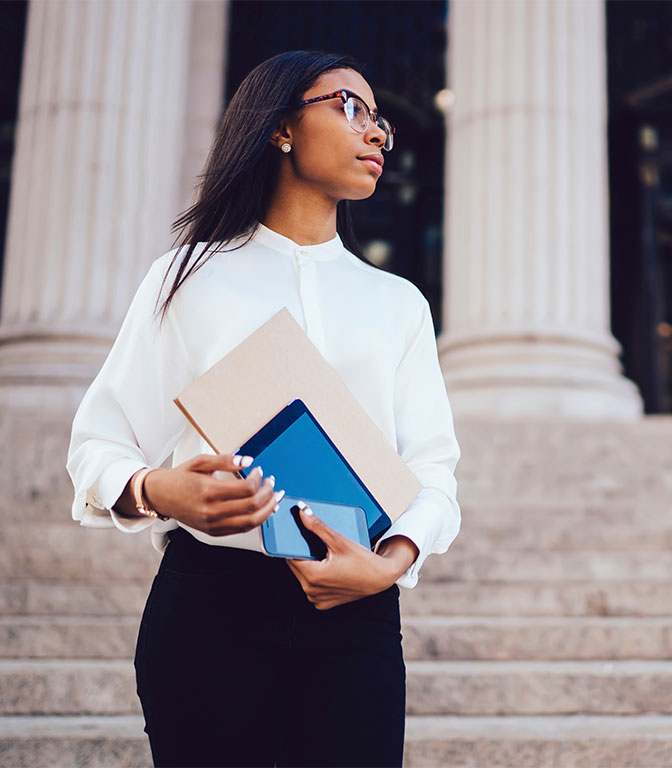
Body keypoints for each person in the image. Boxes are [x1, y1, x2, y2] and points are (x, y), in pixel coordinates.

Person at [65, 51, 461, 767]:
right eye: (350, 106)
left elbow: (433, 470)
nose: (374, 133)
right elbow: (98, 443)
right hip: (209, 604)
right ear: (281, 127)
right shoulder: (188, 277)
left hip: (356, 610)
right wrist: (161, 491)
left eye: (381, 122)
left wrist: (391, 564)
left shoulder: (398, 304)